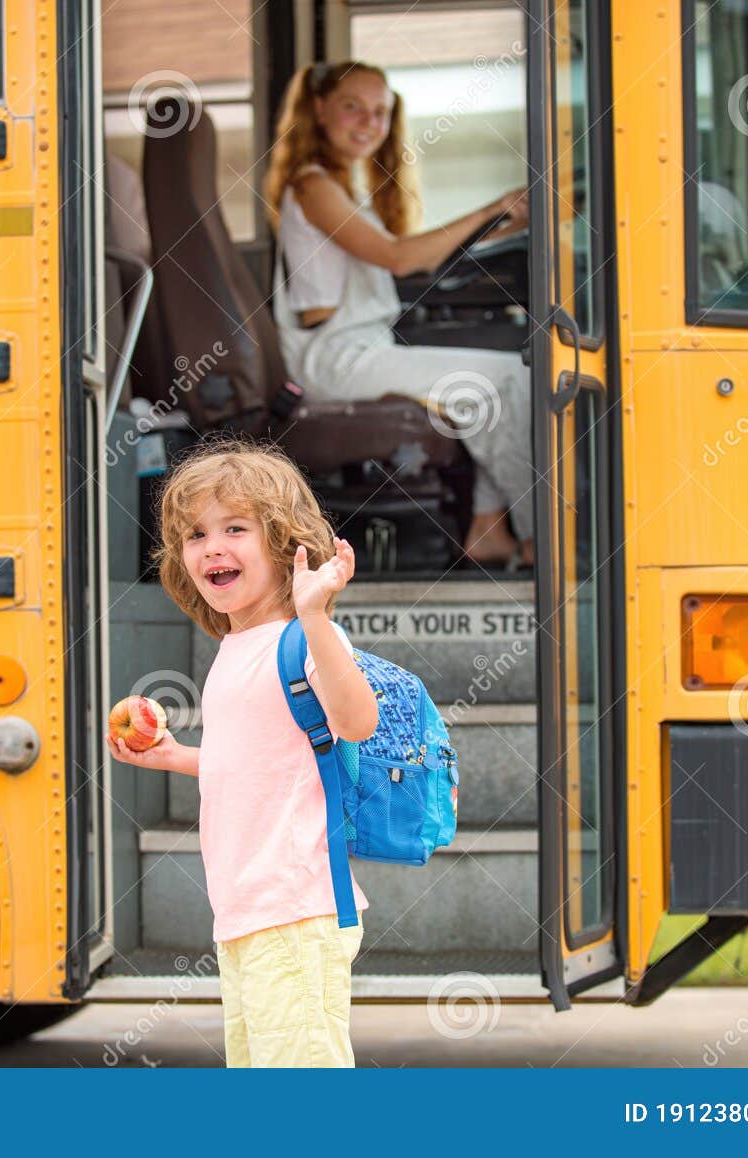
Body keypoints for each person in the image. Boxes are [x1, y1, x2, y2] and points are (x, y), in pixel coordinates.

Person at [107, 438, 377, 1067]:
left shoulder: (303, 638)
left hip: (294, 911)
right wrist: (179, 757)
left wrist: (315, 618)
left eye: (235, 527)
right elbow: (269, 766)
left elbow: (357, 723)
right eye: (196, 534)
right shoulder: (236, 649)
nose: (213, 546)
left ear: (287, 545)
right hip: (245, 915)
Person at [263, 60, 535, 567]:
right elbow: (399, 256)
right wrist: (486, 209)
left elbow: (419, 256)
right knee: (507, 380)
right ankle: (547, 536)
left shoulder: (342, 189)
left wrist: (497, 223)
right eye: (353, 108)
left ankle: (488, 528)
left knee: (488, 386)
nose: (368, 122)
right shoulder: (313, 184)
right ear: (320, 110)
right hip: (334, 358)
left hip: (361, 349)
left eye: (380, 113)